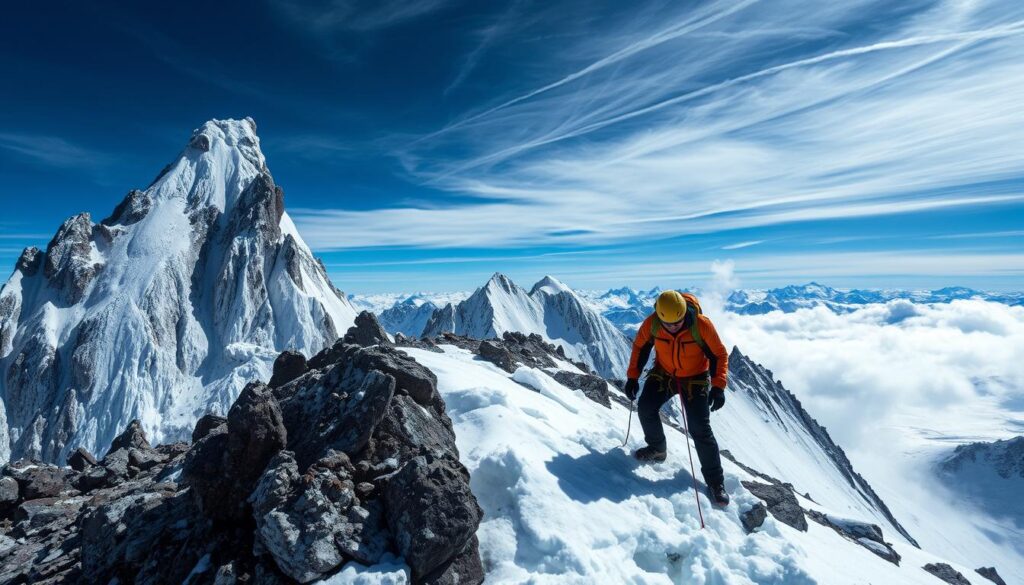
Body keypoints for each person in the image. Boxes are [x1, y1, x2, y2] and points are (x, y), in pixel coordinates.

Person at [624, 290, 731, 505]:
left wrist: (718, 386)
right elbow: (640, 347)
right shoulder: (652, 324)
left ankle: (715, 482)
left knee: (700, 428)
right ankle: (657, 449)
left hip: (696, 377)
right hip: (665, 373)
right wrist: (632, 377)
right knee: (645, 407)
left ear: (684, 313)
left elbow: (718, 354)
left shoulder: (701, 325)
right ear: (660, 317)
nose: (674, 327)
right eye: (669, 324)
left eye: (679, 322)